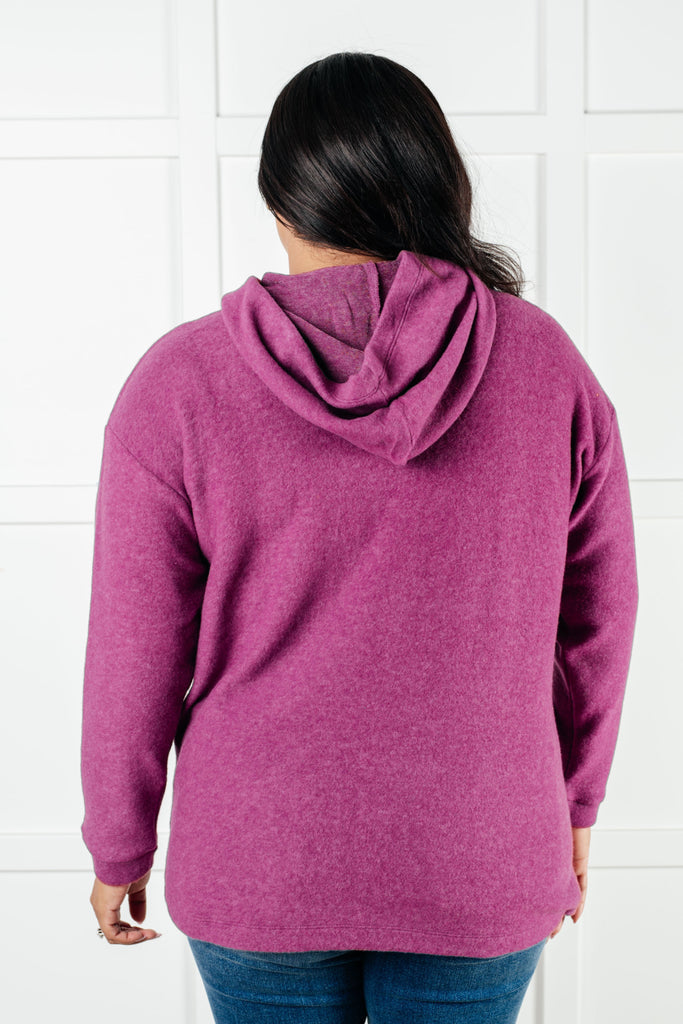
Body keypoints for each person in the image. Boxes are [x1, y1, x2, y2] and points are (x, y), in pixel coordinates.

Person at [81, 51, 639, 1023]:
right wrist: (573, 802)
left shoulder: (180, 385)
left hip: (259, 861)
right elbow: (601, 615)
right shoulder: (545, 367)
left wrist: (119, 842)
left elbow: (134, 647)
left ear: (277, 201)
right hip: (482, 854)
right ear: (435, 186)